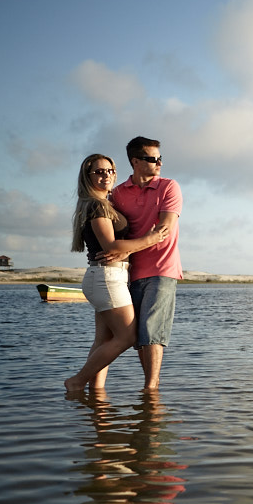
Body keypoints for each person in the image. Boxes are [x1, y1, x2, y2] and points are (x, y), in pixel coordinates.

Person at [64, 154, 168, 393]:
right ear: (87, 176)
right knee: (127, 336)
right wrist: (150, 239)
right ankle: (77, 381)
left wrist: (124, 252)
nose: (106, 175)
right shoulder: (96, 205)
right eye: (99, 172)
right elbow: (110, 246)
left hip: (106, 277)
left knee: (103, 340)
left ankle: (96, 395)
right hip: (107, 278)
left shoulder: (103, 203)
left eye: (110, 171)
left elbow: (114, 248)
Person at [106, 136, 183, 390]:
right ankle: (150, 387)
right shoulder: (117, 194)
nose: (159, 162)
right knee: (138, 335)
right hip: (131, 271)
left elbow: (164, 230)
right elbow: (111, 230)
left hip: (163, 268)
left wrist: (124, 249)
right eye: (152, 158)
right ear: (135, 162)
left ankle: (150, 390)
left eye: (160, 158)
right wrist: (115, 252)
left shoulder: (169, 187)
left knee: (151, 330)